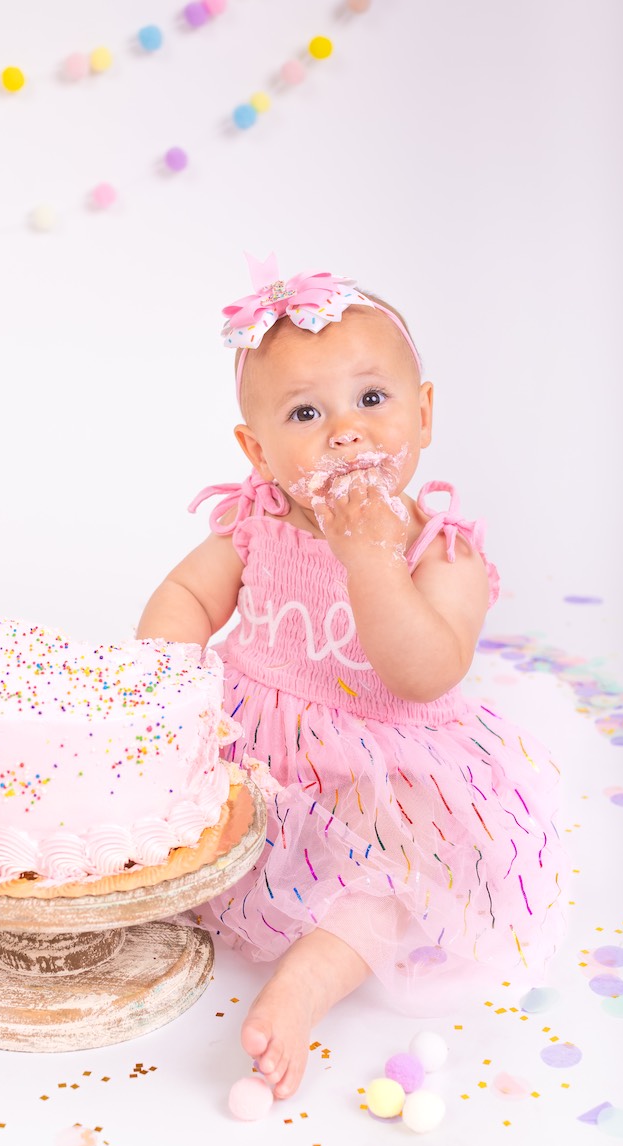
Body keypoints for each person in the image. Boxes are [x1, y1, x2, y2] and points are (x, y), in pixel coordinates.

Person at [137, 253, 566, 1100]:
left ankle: (306, 984)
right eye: (307, 412)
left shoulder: (441, 552)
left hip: (379, 768)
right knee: (158, 820)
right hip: (248, 741)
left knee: (389, 886)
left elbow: (424, 673)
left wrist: (370, 559)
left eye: (373, 400)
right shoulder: (254, 523)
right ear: (257, 450)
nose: (347, 431)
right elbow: (187, 592)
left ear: (425, 411)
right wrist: (168, 681)